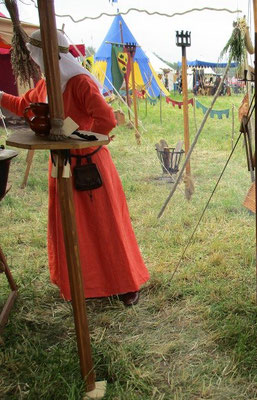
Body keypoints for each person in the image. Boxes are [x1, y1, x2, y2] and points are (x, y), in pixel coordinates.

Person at [0, 29, 149, 306]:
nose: (35, 62)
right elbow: (25, 105)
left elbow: (105, 119)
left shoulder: (80, 82)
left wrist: (75, 134)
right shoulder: (45, 86)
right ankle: (81, 283)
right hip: (60, 165)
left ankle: (124, 283)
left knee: (104, 226)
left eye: (37, 57)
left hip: (89, 165)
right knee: (72, 227)